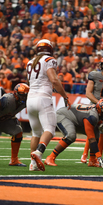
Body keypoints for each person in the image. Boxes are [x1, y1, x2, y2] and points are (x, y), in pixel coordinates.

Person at [27, 39, 71, 172]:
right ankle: (38, 153)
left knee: (36, 133)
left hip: (30, 99)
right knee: (50, 130)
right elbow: (54, 80)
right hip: (43, 98)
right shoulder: (49, 60)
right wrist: (65, 96)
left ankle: (32, 164)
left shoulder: (30, 62)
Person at [44, 99, 103, 168]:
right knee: (71, 136)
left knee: (96, 133)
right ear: (100, 110)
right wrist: (99, 157)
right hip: (64, 116)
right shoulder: (92, 116)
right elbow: (91, 139)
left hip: (76, 119)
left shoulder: (96, 112)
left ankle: (92, 160)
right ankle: (50, 157)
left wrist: (99, 125)